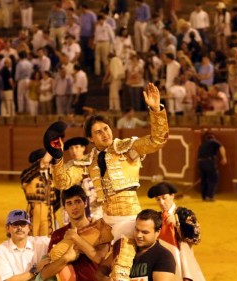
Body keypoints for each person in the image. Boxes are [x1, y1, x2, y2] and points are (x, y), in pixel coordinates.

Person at [43, 82, 169, 280]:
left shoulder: (127, 148)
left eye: (106, 128)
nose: (105, 133)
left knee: (119, 274)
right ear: (91, 139)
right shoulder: (89, 160)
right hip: (106, 222)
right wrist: (57, 156)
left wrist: (155, 109)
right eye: (98, 132)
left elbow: (157, 140)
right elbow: (63, 182)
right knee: (57, 253)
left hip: (129, 221)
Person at [38, 185, 112, 281]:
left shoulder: (100, 229)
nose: (74, 207)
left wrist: (75, 238)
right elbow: (45, 274)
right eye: (69, 203)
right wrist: (65, 258)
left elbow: (100, 258)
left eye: (77, 201)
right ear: (64, 207)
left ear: (85, 203)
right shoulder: (58, 235)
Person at [96, 209, 176, 281]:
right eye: (137, 230)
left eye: (145, 232)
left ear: (157, 232)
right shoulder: (125, 248)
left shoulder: (164, 257)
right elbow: (100, 272)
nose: (138, 235)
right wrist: (105, 279)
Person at [147, 182, 205, 281]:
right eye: (158, 199)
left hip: (183, 259)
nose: (161, 202)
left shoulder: (184, 214)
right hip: (163, 261)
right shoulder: (156, 217)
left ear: (172, 196)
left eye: (164, 198)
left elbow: (196, 237)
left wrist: (177, 224)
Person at [0, 209, 50, 281]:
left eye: (23, 224)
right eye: (15, 224)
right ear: (7, 228)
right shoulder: (0, 251)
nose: (19, 228)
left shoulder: (43, 243)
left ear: (29, 227)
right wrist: (36, 269)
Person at [20, 148, 60, 236]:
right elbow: (25, 178)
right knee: (31, 239)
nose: (48, 162)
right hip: (33, 213)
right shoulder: (28, 175)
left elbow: (59, 198)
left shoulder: (53, 177)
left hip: (48, 214)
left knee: (48, 241)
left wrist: (51, 208)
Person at [64, 137, 103, 220]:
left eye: (77, 147)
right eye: (71, 148)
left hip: (95, 206)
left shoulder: (93, 162)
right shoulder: (66, 168)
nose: (74, 151)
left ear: (83, 148)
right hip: (76, 208)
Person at [197, 132, 227, 201]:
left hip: (200, 163)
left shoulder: (202, 145)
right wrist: (224, 158)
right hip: (209, 162)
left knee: (203, 180)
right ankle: (209, 196)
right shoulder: (214, 142)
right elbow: (221, 147)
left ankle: (204, 197)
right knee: (213, 179)